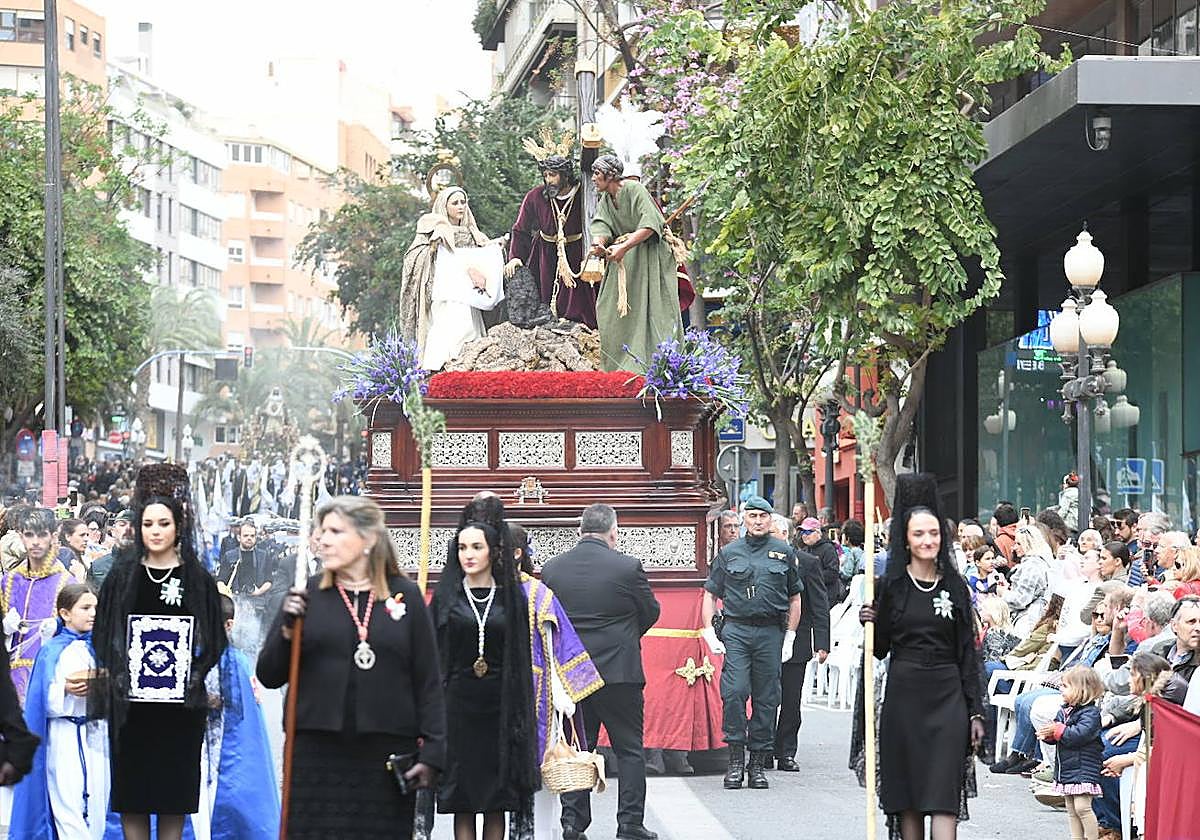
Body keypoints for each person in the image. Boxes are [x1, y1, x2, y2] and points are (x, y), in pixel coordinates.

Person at [257, 495, 444, 838]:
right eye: (322, 531)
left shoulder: (405, 596)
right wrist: (285, 630)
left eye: (336, 531)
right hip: (317, 753)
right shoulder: (307, 595)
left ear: (368, 538)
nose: (323, 539)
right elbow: (269, 675)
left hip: (384, 752)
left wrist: (433, 751)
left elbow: (428, 679)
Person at [91, 464, 227, 840]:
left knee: (173, 799)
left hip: (180, 712)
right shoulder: (122, 577)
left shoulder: (197, 579)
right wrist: (120, 669)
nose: (155, 531)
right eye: (148, 523)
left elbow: (216, 639)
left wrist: (194, 673)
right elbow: (101, 634)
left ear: (178, 527)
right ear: (138, 527)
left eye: (163, 523)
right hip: (131, 710)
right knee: (132, 797)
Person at [856, 474, 984, 840]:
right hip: (904, 699)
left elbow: (968, 653)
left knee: (944, 797)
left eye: (934, 533)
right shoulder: (890, 587)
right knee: (907, 798)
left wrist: (975, 711)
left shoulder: (955, 587)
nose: (928, 540)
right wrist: (871, 620)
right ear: (906, 539)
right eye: (919, 534)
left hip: (948, 699)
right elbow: (880, 648)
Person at [541, 503, 660, 840]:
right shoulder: (627, 566)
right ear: (613, 532)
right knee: (630, 749)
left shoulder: (553, 569)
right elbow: (650, 611)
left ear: (580, 530)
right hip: (619, 671)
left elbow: (549, 617)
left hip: (574, 671)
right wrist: (625, 636)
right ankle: (630, 824)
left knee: (578, 747)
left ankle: (573, 822)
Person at [431, 514, 538, 840]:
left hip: (500, 709)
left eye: (477, 547)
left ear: (493, 551)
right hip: (458, 708)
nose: (469, 554)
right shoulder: (447, 597)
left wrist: (521, 715)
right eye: (462, 547)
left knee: (497, 800)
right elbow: (435, 658)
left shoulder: (512, 598)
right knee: (462, 799)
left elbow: (521, 659)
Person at [701, 495, 802, 791]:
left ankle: (757, 763)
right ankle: (735, 760)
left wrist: (791, 635)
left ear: (770, 519)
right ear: (744, 519)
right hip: (737, 630)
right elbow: (710, 593)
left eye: (763, 516)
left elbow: (795, 597)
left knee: (767, 697)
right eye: (753, 516)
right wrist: (709, 630)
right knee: (734, 692)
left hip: (770, 631)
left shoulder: (784, 552)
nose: (758, 521)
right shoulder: (729, 553)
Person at [10, 583, 107, 840]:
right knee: (68, 804)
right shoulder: (51, 651)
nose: (93, 613)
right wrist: (64, 689)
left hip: (97, 735)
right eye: (85, 608)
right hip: (64, 736)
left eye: (95, 607)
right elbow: (40, 700)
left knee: (99, 803)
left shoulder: (102, 649)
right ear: (65, 613)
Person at [193, 587, 279, 839]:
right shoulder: (194, 656)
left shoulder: (236, 661)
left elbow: (234, 705)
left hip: (225, 744)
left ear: (228, 625)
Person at [587, 154, 682, 372]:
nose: (593, 178)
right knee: (608, 307)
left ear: (610, 175)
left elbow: (650, 224)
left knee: (651, 308)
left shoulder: (634, 189)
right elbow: (602, 225)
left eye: (597, 173)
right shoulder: (606, 199)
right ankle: (617, 365)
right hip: (623, 261)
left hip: (648, 257)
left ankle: (654, 365)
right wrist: (598, 244)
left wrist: (624, 247)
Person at [399, 186, 505, 371]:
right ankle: (440, 369)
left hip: (469, 296)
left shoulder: (473, 233)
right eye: (455, 203)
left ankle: (465, 369)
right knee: (452, 331)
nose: (460, 206)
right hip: (447, 293)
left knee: (471, 330)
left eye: (463, 202)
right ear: (444, 206)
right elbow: (419, 256)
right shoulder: (434, 231)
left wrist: (497, 245)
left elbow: (482, 253)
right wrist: (433, 249)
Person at [507, 140, 597, 327]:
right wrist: (515, 256)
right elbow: (520, 229)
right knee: (545, 301)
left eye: (553, 175)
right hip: (544, 255)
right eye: (545, 175)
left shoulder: (584, 194)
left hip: (576, 251)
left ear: (565, 174)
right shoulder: (535, 196)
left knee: (579, 303)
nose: (548, 180)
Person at [3, 507, 77, 704]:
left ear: (53, 536)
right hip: (9, 679)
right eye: (29, 534)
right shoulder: (8, 581)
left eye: (42, 534)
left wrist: (58, 629)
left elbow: (80, 637)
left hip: (49, 677)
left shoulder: (67, 583)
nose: (35, 542)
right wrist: (4, 629)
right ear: (21, 536)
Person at [774, 523, 830, 772]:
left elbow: (819, 604)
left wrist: (822, 643)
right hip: (764, 638)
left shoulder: (806, 562)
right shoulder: (757, 558)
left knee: (791, 699)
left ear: (784, 534)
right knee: (765, 698)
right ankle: (763, 749)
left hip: (798, 638)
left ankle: (786, 751)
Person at [1037, 666, 1104, 840]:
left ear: (1082, 690)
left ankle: (1092, 837)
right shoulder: (1063, 711)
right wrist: (1049, 736)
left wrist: (1058, 730)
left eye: (1066, 686)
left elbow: (1079, 735)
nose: (1061, 689)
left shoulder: (1091, 713)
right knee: (1072, 808)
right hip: (1067, 768)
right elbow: (1060, 734)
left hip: (1083, 768)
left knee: (1083, 807)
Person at [218, 520, 275, 653]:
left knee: (253, 642)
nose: (249, 538)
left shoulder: (264, 555)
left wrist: (258, 591)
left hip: (257, 604)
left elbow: (269, 581)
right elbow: (220, 580)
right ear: (239, 537)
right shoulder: (230, 556)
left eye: (252, 536)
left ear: (256, 537)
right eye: (246, 535)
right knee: (234, 641)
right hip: (235, 602)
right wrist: (227, 594)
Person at [798, 516, 844, 605]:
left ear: (818, 532)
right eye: (802, 532)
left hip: (825, 597)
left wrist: (811, 577)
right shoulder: (804, 550)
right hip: (809, 597)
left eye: (808, 532)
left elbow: (832, 573)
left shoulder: (828, 549)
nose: (804, 535)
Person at [87, 510, 132, 590]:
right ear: (113, 531)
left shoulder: (149, 565)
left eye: (134, 525)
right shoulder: (97, 566)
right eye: (122, 525)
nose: (128, 529)